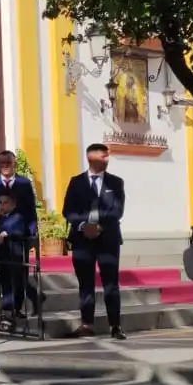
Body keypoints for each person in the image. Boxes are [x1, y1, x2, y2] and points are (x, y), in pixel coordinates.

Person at [62, 142, 126, 339]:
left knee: (111, 284)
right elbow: (68, 210)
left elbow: (117, 210)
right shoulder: (76, 182)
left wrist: (99, 227)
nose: (107, 160)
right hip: (82, 241)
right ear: (91, 158)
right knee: (85, 283)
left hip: (107, 239)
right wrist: (83, 226)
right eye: (103, 156)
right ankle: (87, 323)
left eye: (108, 157)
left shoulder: (116, 182)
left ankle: (115, 325)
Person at [0, 150, 42, 319]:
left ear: (14, 164)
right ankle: (10, 308)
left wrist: (32, 233)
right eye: (2, 164)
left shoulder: (24, 183)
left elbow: (31, 210)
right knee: (4, 272)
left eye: (8, 163)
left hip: (19, 236)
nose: (5, 166)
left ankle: (14, 307)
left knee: (19, 274)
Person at [0, 191, 31, 328]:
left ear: (13, 204)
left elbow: (21, 232)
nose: (2, 206)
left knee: (16, 284)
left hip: (15, 254)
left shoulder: (18, 217)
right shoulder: (0, 218)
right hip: (2, 255)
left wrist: (7, 233)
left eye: (5, 202)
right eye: (0, 203)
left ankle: (13, 310)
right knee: (6, 284)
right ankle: (9, 311)